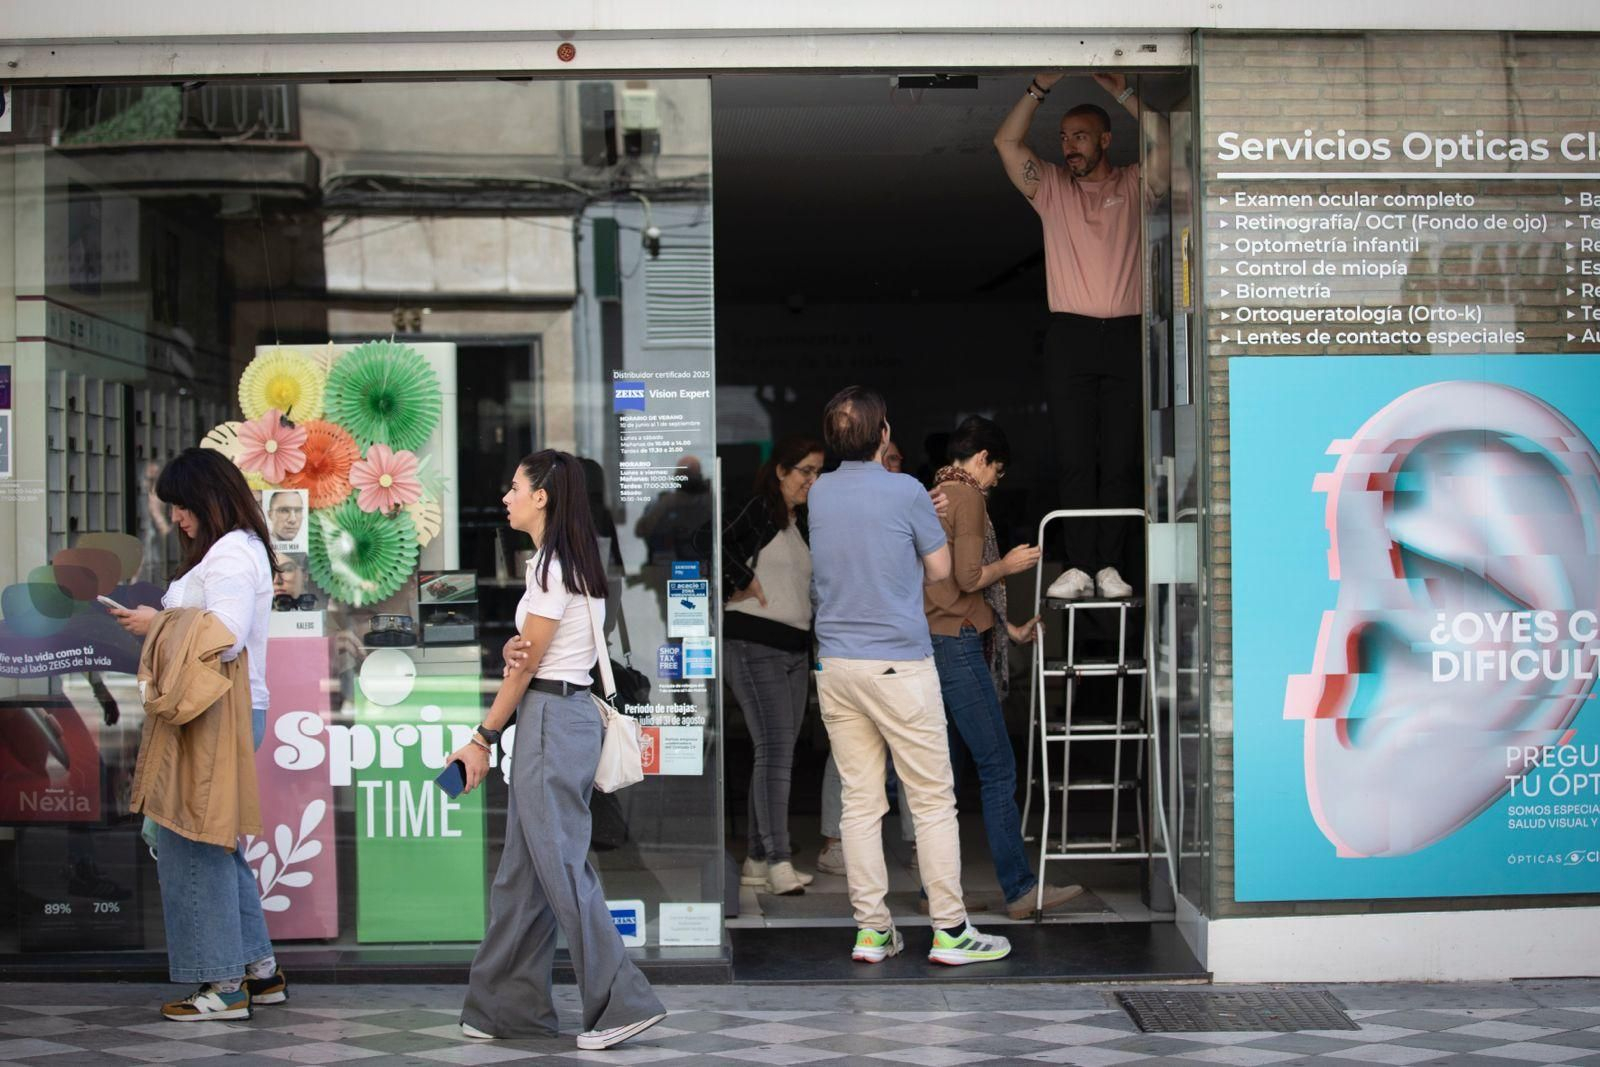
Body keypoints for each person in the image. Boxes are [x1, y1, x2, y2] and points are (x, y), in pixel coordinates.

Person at [450, 450, 665, 1052]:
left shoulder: (551, 567)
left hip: (550, 721)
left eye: (514, 486)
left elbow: (528, 669)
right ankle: (501, 1008)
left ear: (541, 495)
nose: (506, 496)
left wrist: (481, 737)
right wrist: (519, 654)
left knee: (565, 868)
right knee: (523, 876)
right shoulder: (569, 560)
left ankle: (622, 1001)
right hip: (559, 715)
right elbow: (533, 653)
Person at [808, 385, 1011, 966]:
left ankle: (872, 931)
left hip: (838, 665)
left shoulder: (820, 493)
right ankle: (950, 931)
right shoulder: (905, 494)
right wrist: (924, 512)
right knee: (930, 800)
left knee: (860, 802)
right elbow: (942, 571)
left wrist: (916, 507)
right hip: (898, 662)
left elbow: (865, 524)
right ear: (884, 434)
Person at [110, 447, 285, 1021]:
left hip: (215, 713)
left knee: (189, 842)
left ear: (208, 500)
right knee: (212, 841)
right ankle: (259, 972)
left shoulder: (232, 554)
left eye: (182, 506)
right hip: (221, 711)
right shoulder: (237, 549)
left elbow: (225, 635)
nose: (178, 519)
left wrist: (154, 623)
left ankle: (222, 985)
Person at [993, 71, 1168, 601]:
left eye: (1081, 136)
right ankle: (1077, 565)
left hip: (1125, 333)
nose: (1069, 146)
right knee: (1072, 454)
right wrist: (1037, 89)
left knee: (1117, 457)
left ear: (1105, 140)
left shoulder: (1136, 182)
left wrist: (1123, 91)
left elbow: (1169, 135)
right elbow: (1005, 141)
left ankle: (1109, 565)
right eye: (1064, 137)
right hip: (1069, 335)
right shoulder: (1050, 189)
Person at [926, 415, 1085, 920]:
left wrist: (1011, 630)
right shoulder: (968, 496)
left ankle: (941, 894)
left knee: (944, 778)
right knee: (998, 768)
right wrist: (1011, 565)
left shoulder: (935, 492)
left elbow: (942, 583)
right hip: (957, 645)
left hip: (934, 641)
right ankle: (1019, 889)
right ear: (982, 459)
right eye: (998, 470)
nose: (997, 480)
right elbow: (969, 577)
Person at [723, 436, 826, 896]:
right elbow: (706, 543)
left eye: (817, 471)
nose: (811, 480)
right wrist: (741, 582)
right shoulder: (761, 511)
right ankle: (780, 859)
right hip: (754, 644)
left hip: (791, 649)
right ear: (781, 471)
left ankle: (757, 861)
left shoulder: (795, 522)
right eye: (804, 470)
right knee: (776, 752)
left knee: (774, 753)